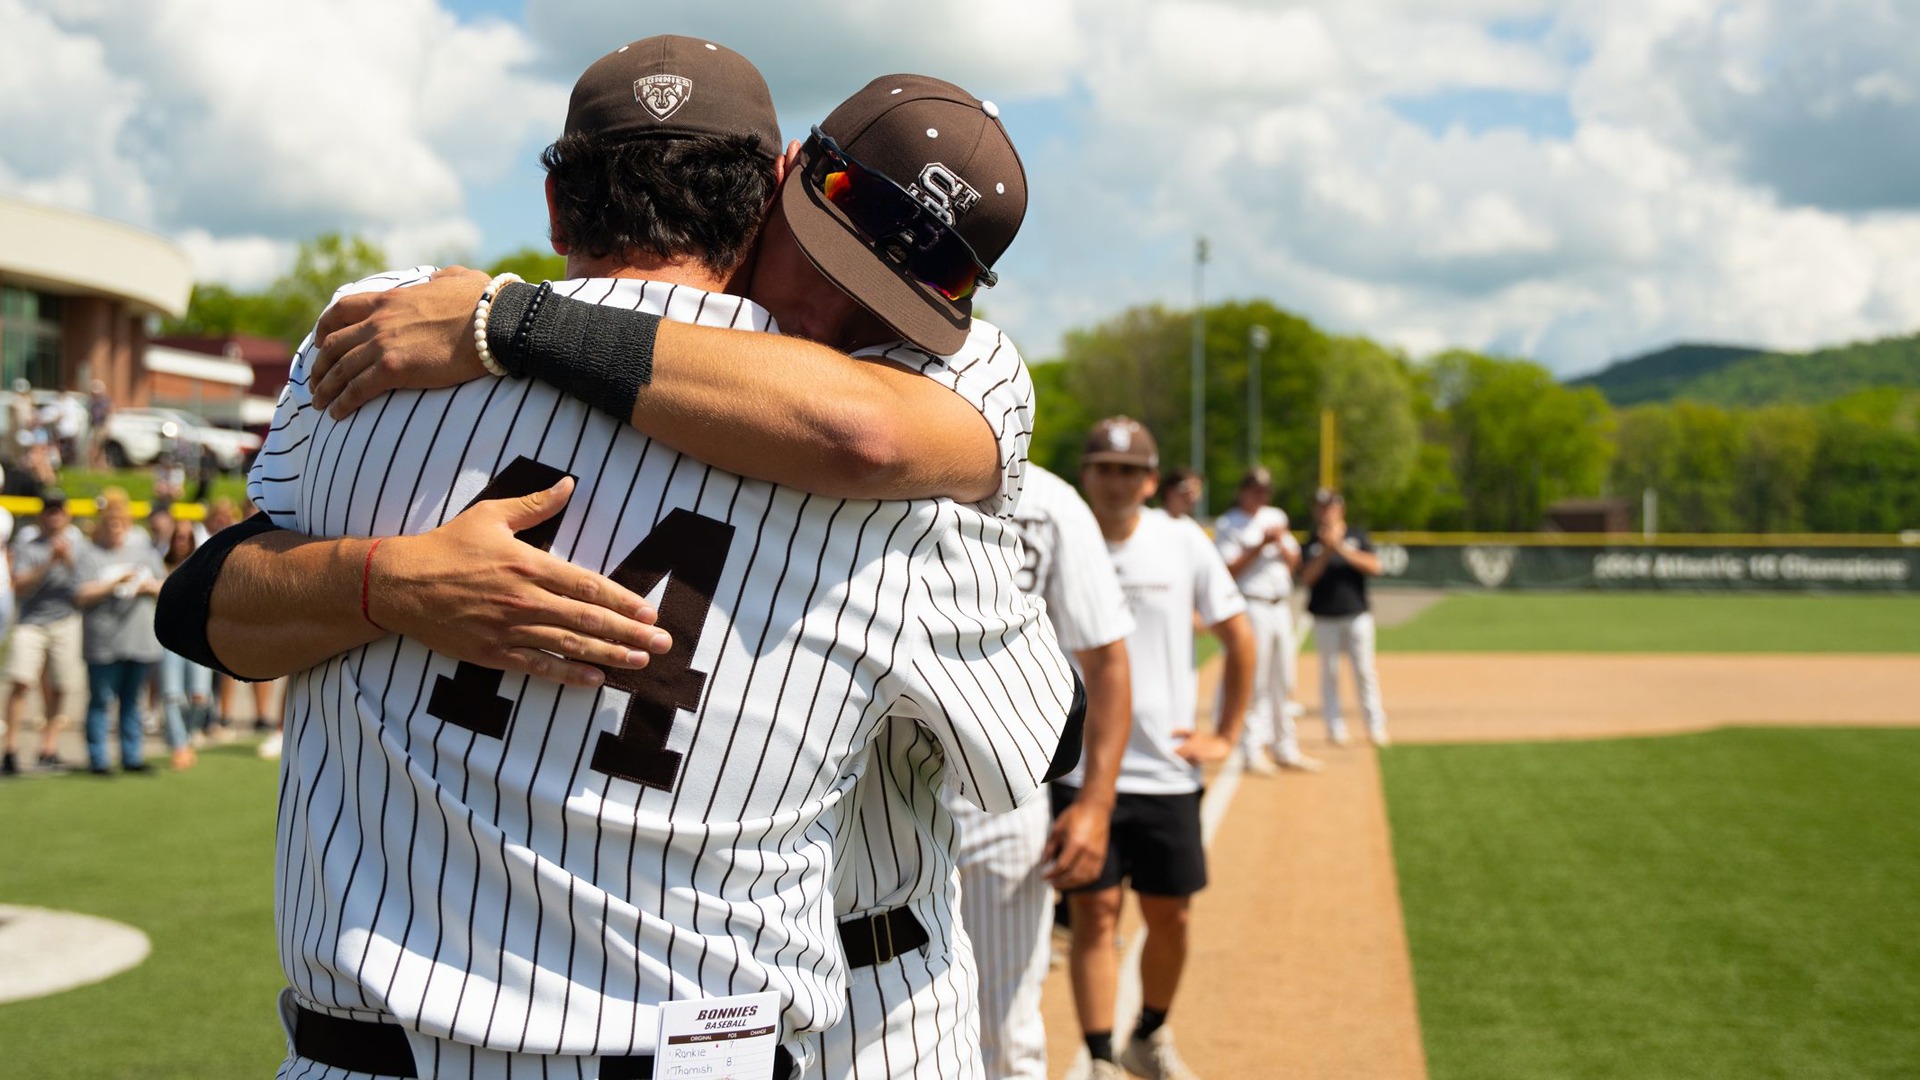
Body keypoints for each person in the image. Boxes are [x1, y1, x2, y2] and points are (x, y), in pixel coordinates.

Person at [158, 42, 1072, 1079]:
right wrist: (390, 582)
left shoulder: (391, 331)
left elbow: (197, 607)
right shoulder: (901, 497)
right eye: (823, 259)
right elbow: (1050, 731)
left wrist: (508, 322)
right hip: (722, 1040)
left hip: (385, 1049)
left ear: (556, 205)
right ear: (772, 190)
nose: (828, 318)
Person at [1064, 417, 1255, 1080]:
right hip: (1082, 773)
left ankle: (1148, 1034)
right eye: (1103, 468)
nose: (1115, 482)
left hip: (1166, 771)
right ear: (1085, 474)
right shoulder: (1063, 537)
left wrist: (1224, 734)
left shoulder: (1182, 542)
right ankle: (1099, 1058)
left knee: (1170, 917)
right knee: (1095, 914)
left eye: (1129, 471)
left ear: (1150, 480)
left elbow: (1239, 637)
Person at [952, 464, 1133, 1080]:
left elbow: (1106, 660)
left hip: (1002, 800)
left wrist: (1096, 805)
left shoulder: (1051, 502)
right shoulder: (869, 466)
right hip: (865, 799)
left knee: (1004, 1030)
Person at [1212, 466, 1314, 774]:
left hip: (1280, 605)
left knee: (1284, 679)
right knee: (1254, 681)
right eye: (1256, 489)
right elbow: (1227, 571)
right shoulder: (1229, 522)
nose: (1261, 495)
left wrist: (1279, 542)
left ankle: (1285, 747)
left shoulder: (1275, 516)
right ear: (1243, 491)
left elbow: (1295, 562)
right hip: (1251, 604)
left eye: (1265, 490)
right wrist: (1260, 546)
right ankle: (1251, 750)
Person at [73, 489, 166, 775]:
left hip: (137, 639)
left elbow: (165, 586)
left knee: (132, 700)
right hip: (103, 642)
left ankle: (131, 755)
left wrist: (146, 586)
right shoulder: (89, 553)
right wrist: (114, 584)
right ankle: (98, 758)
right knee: (101, 699)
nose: (115, 528)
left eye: (120, 522)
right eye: (109, 522)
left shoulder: (143, 552)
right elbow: (80, 594)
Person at [1300, 488, 1390, 747]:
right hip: (1324, 616)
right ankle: (1334, 727)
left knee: (1365, 672)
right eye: (1321, 507)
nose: (1326, 512)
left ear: (1341, 508)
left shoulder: (1356, 535)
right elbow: (1306, 578)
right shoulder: (1311, 541)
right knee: (1329, 673)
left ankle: (1375, 726)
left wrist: (1339, 546)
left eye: (1331, 506)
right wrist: (1326, 551)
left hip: (1356, 614)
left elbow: (1375, 566)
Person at [4, 489, 84, 775]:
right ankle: (10, 750)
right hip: (32, 621)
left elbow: (84, 586)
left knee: (61, 685)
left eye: (58, 510)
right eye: (49, 510)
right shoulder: (29, 544)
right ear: (42, 515)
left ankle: (48, 748)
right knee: (20, 680)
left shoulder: (79, 544)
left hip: (65, 620)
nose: (54, 516)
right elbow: (19, 586)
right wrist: (49, 561)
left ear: (67, 514)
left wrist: (68, 559)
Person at [157, 521, 212, 769]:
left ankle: (187, 737)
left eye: (186, 537)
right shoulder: (160, 566)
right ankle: (179, 745)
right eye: (178, 537)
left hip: (197, 639)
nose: (181, 542)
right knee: (172, 695)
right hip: (169, 639)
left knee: (200, 696)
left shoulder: (202, 567)